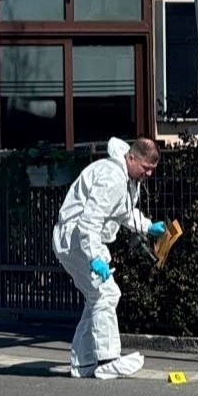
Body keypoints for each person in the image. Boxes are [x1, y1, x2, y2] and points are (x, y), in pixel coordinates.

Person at [52, 137, 166, 379]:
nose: (148, 174)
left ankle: (82, 362)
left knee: (96, 299)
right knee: (106, 294)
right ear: (131, 157)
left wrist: (147, 226)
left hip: (80, 240)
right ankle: (107, 359)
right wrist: (94, 257)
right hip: (76, 240)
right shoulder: (112, 178)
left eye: (152, 170)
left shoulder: (126, 177)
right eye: (146, 168)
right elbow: (89, 222)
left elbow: (123, 211)